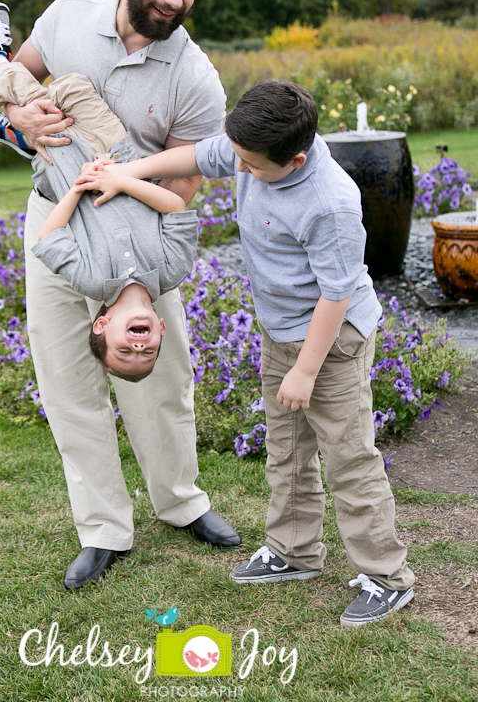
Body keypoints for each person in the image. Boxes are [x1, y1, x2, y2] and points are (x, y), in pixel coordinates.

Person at [0, 0, 241, 591]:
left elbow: (185, 184)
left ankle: (181, 504)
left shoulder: (195, 80)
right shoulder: (67, 16)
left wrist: (120, 183)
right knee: (68, 384)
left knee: (163, 382)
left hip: (142, 236)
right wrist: (16, 120)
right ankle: (103, 530)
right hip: (55, 224)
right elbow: (20, 91)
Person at [100, 78, 415, 628]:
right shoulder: (254, 146)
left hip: (330, 342)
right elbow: (200, 154)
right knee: (287, 448)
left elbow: (336, 295)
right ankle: (294, 552)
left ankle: (386, 577)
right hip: (280, 331)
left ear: (295, 159)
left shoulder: (331, 204)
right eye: (237, 156)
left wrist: (305, 371)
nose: (238, 170)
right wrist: (127, 173)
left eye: (250, 165)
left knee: (348, 459)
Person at [0, 27, 199, 382]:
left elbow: (48, 236)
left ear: (102, 324)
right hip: (119, 156)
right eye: (147, 350)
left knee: (38, 109)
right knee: (71, 87)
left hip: (70, 173)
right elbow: (174, 207)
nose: (138, 347)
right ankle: (22, 136)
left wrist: (77, 188)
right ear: (161, 327)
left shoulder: (92, 281)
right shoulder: (172, 269)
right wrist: (122, 180)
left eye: (124, 350)